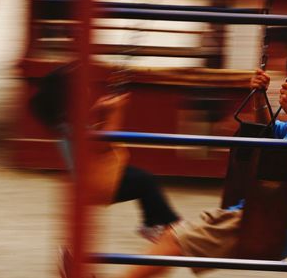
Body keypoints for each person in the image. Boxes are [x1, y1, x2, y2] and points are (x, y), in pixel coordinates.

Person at [112, 61, 287, 278]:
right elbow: (266, 128)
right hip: (253, 215)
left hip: (267, 226)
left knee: (176, 239)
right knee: (174, 239)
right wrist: (259, 96)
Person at [29, 63, 181, 242]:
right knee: (146, 182)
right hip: (98, 183)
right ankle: (170, 223)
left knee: (143, 179)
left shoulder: (64, 123)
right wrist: (115, 113)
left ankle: (152, 224)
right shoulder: (72, 126)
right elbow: (103, 143)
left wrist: (98, 110)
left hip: (92, 178)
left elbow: (88, 133)